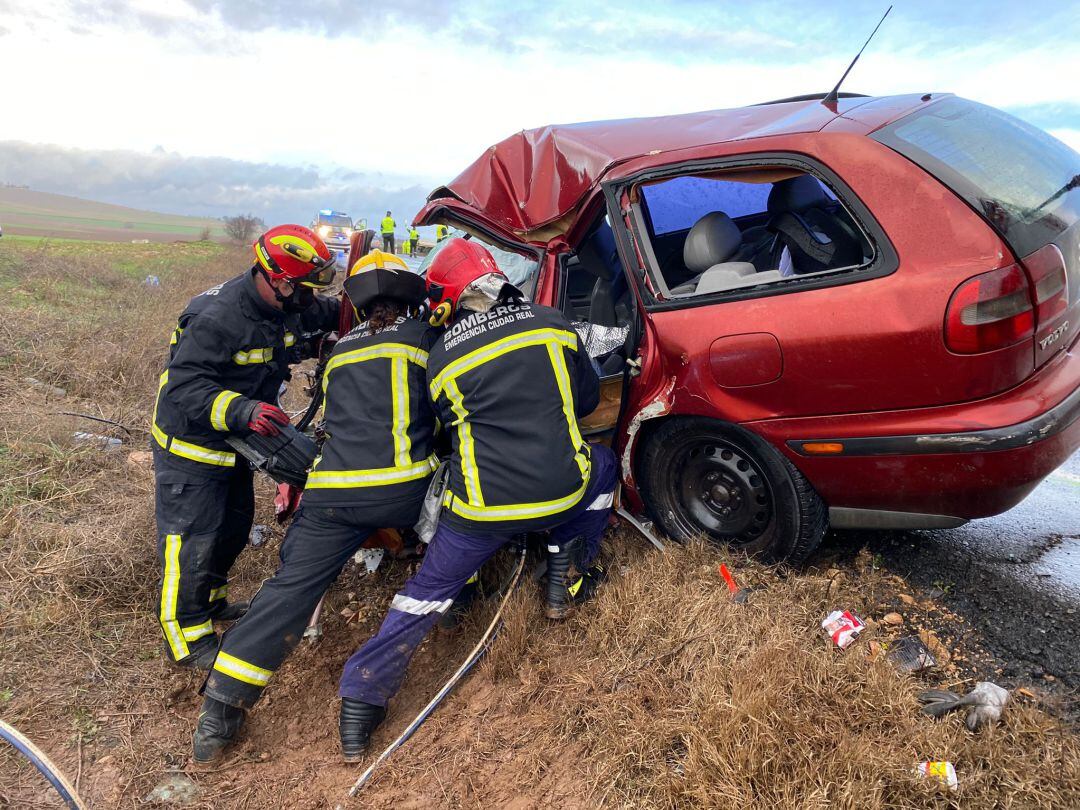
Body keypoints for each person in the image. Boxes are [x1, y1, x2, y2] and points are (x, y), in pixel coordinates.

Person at [335, 239, 616, 759]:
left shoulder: (441, 357)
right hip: (562, 492)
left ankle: (360, 701)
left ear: (446, 299)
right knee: (602, 468)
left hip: (482, 514)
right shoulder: (554, 323)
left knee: (426, 592)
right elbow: (586, 401)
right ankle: (565, 576)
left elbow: (446, 432)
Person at [191, 250, 438, 762]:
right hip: (403, 492)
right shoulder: (424, 341)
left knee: (289, 590)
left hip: (331, 499)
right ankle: (456, 610)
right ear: (411, 299)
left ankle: (219, 714)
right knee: (463, 530)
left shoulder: (341, 352)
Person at [153, 225, 340, 670]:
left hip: (233, 446)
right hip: (192, 446)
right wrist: (242, 411)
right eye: (306, 291)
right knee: (192, 540)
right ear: (279, 280)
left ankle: (213, 604)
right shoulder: (217, 317)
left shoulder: (287, 306)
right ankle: (187, 640)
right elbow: (185, 387)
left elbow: (333, 313)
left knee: (233, 528)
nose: (312, 301)